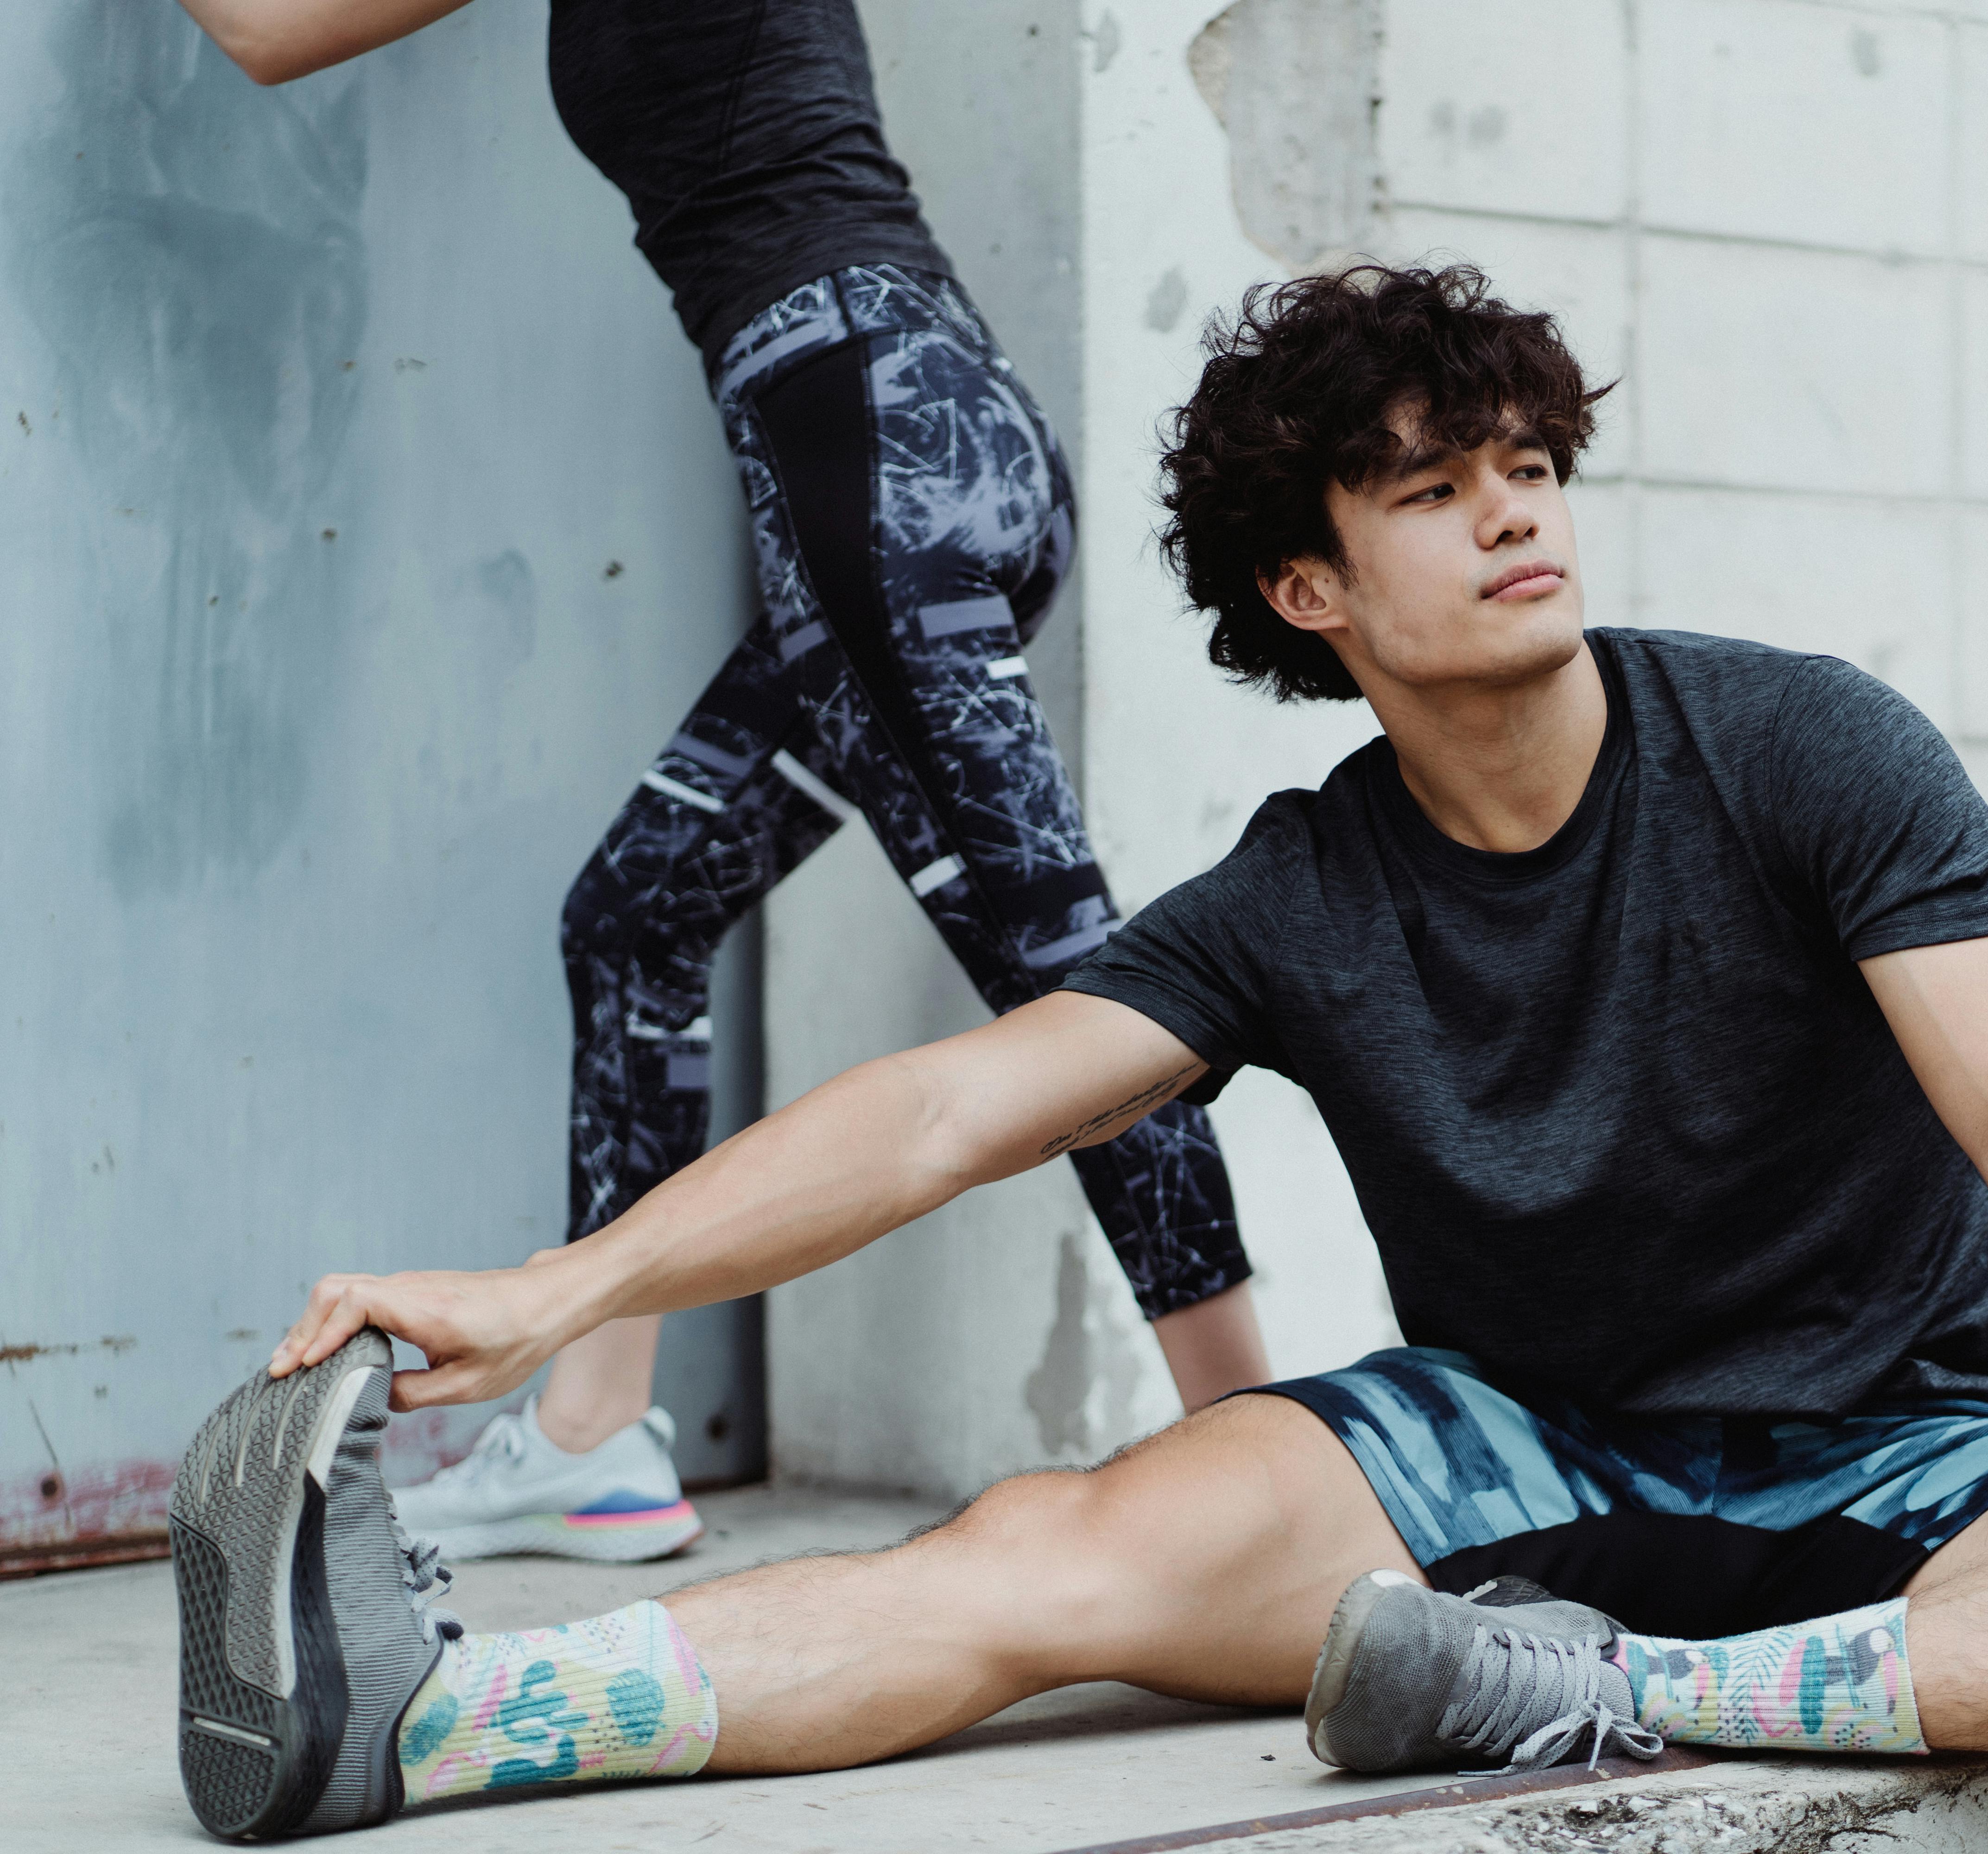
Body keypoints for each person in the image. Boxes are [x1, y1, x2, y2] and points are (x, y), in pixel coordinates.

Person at [170, 266, 1988, 1843]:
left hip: (1907, 1464)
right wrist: (560, 1297)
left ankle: (1619, 1697)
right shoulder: (1301, 889)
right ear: (1310, 588)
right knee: (1041, 1557)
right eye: (1438, 487)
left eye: (1531, 461)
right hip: (1510, 1456)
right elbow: (956, 1108)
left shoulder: (1807, 749)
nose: (1517, 509)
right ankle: (435, 1721)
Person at [169, 0, 1271, 1563]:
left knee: (1082, 1010)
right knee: (635, 919)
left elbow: (266, 25)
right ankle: (587, 1440)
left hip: (868, 445)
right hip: (909, 429)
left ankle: (1276, 1478)